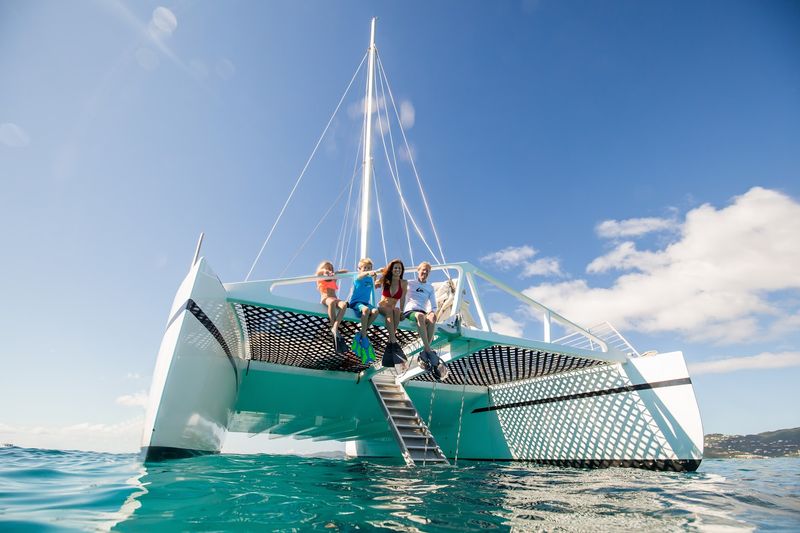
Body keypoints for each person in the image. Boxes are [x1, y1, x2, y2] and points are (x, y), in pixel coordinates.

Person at [403, 261, 449, 380]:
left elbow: (434, 305)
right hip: (410, 312)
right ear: (418, 270)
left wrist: (432, 312)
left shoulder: (430, 287)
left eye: (427, 271)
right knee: (420, 316)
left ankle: (425, 351)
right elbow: (394, 284)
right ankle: (428, 349)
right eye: (423, 269)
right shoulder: (409, 283)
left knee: (432, 317)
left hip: (423, 312)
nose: (425, 272)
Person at [377, 258, 408, 372]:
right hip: (382, 307)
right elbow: (374, 284)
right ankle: (393, 341)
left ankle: (391, 341)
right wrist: (378, 272)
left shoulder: (404, 283)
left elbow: (403, 298)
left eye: (399, 268)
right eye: (395, 267)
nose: (397, 269)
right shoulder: (386, 279)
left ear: (402, 270)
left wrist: (402, 311)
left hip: (393, 309)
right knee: (391, 310)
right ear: (391, 269)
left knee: (397, 310)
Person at [348, 257, 380, 363]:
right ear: (359, 269)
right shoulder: (357, 277)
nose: (367, 269)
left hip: (366, 303)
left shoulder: (370, 279)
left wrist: (376, 275)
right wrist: (368, 272)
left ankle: (362, 332)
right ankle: (364, 335)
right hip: (356, 303)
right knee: (366, 310)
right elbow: (361, 276)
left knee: (375, 311)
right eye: (364, 268)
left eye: (369, 268)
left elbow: (374, 283)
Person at [315, 260, 348, 354]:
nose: (329, 269)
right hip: (325, 298)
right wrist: (325, 271)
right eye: (327, 267)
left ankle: (335, 327)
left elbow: (344, 271)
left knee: (344, 305)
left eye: (330, 268)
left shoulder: (333, 277)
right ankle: (333, 326)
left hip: (334, 298)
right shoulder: (320, 276)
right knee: (332, 302)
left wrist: (337, 272)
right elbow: (320, 272)